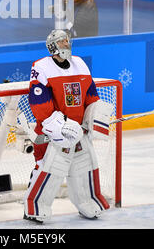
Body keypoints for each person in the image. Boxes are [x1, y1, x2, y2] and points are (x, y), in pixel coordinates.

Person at [23, 29, 112, 223]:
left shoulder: (79, 64)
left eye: (67, 41)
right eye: (62, 41)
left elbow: (90, 95)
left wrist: (93, 118)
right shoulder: (41, 67)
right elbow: (39, 102)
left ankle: (88, 203)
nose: (66, 44)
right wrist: (59, 127)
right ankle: (34, 207)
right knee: (49, 168)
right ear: (53, 46)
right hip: (52, 132)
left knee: (84, 166)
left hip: (78, 131)